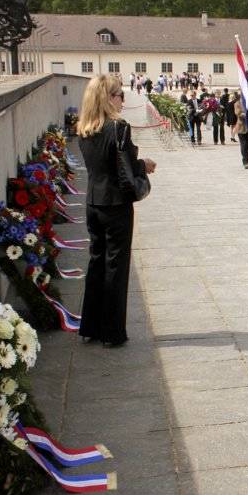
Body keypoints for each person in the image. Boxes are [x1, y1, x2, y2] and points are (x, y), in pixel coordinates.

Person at [76, 74, 156, 347]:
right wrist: (142, 165)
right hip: (115, 205)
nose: (123, 99)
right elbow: (122, 167)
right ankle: (112, 331)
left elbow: (105, 164)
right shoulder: (117, 127)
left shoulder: (85, 128)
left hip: (93, 202)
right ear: (109, 98)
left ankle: (91, 326)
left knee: (96, 262)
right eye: (120, 94)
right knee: (116, 267)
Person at [233, 93, 248, 168]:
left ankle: (247, 157)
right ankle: (245, 160)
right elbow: (238, 113)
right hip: (241, 126)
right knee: (243, 144)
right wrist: (247, 115)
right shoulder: (237, 103)